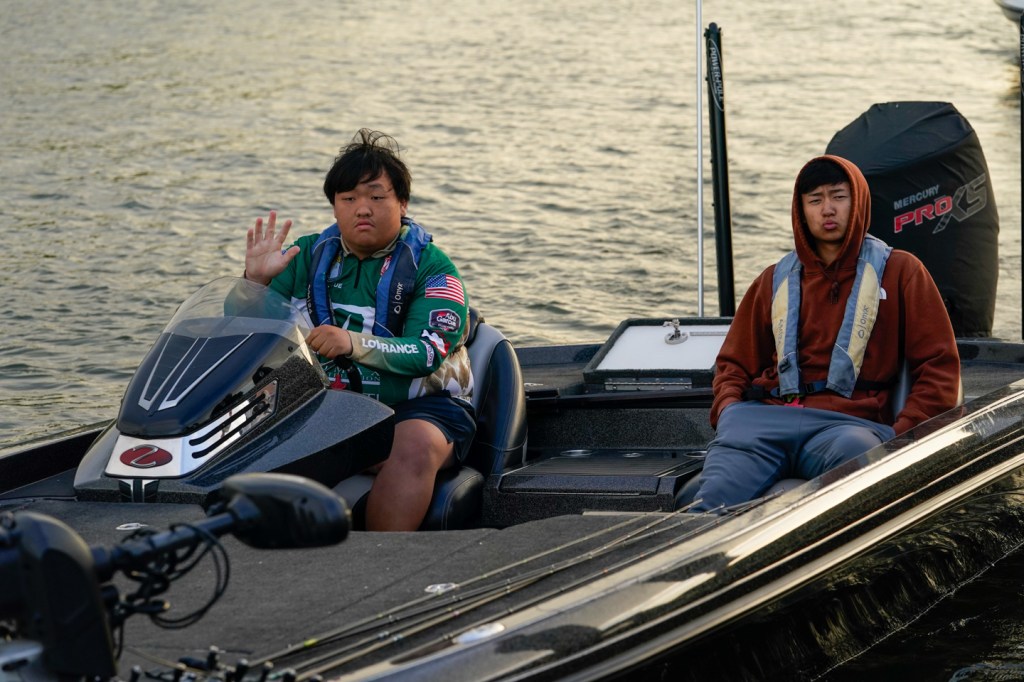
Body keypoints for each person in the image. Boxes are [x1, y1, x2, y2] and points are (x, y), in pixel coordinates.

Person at [689, 155, 961, 513]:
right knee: (708, 506)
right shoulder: (773, 279)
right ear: (801, 211)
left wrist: (904, 433)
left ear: (858, 202)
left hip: (849, 426)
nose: (827, 209)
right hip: (761, 422)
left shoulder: (902, 271)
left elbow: (939, 368)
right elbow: (733, 365)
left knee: (854, 488)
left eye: (838, 196)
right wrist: (729, 411)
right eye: (815, 200)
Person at [243, 129, 475, 531]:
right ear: (334, 207)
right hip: (328, 400)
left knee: (415, 446)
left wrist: (351, 342)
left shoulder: (436, 270)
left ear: (402, 203)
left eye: (376, 197)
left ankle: (379, 557)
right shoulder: (302, 256)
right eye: (348, 199)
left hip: (420, 409)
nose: (362, 209)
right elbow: (243, 334)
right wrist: (254, 284)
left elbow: (426, 353)